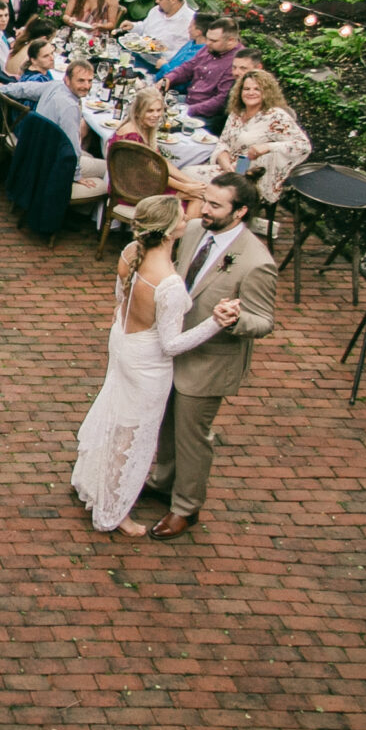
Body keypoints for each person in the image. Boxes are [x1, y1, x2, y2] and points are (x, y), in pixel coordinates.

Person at [69, 197, 229, 535]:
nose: (189, 217)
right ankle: (115, 510)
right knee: (132, 435)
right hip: (148, 365)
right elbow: (171, 345)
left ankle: (92, 481)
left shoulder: (130, 251)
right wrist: (214, 323)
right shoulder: (167, 283)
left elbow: (119, 297)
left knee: (112, 414)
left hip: (124, 341)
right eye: (183, 216)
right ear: (170, 230)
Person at [142, 173, 278, 539]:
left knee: (192, 436)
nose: (205, 210)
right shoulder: (195, 232)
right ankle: (163, 480)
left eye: (216, 206)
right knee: (167, 423)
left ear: (241, 211)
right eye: (206, 200)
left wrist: (233, 319)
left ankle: (186, 508)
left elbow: (264, 321)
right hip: (175, 346)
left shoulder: (257, 261)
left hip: (209, 362)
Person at [0, 58, 108, 188]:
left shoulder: (55, 85)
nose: (86, 86)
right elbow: (71, 145)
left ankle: (81, 207)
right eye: (81, 80)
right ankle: (78, 204)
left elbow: (26, 88)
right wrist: (76, 175)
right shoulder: (70, 107)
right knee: (108, 167)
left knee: (88, 152)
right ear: (67, 80)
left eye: (90, 81)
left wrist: (4, 88)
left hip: (37, 148)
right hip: (54, 160)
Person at [210, 70, 312, 202]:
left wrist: (268, 147)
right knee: (188, 176)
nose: (250, 93)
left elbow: (303, 145)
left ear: (266, 92)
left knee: (203, 191)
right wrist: (225, 164)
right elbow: (223, 142)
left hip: (251, 178)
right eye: (246, 89)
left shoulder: (276, 116)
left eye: (257, 89)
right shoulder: (237, 113)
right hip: (229, 170)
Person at [169, 18, 246, 133]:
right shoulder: (210, 48)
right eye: (208, 38)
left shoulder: (237, 61)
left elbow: (221, 101)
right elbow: (188, 67)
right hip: (189, 100)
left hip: (207, 116)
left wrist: (188, 110)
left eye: (213, 41)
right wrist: (168, 79)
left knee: (166, 126)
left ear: (230, 40)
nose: (207, 43)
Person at [133, 0, 197, 52]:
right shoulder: (156, 10)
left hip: (163, 61)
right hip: (140, 53)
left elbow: (181, 54)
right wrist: (133, 27)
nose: (156, 1)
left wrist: (158, 49)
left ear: (173, 0)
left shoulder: (190, 22)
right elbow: (145, 27)